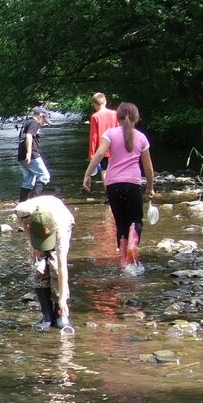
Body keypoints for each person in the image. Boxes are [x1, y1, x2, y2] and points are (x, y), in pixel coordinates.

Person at [81, 102, 154, 276]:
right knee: (135, 220)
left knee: (120, 223)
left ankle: (123, 262)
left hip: (113, 185)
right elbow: (149, 167)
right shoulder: (142, 138)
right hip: (133, 184)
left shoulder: (110, 134)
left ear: (117, 117)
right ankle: (132, 246)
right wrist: (150, 187)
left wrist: (88, 174)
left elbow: (99, 154)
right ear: (137, 118)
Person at [14, 186, 75, 332]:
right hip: (39, 220)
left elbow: (62, 267)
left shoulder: (61, 227)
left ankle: (59, 312)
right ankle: (46, 315)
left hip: (59, 221)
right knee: (39, 267)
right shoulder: (22, 210)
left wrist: (62, 299)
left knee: (54, 265)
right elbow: (24, 223)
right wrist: (32, 242)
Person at [16, 104, 53, 201]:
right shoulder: (34, 123)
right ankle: (32, 201)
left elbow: (24, 136)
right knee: (44, 177)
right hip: (31, 154)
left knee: (28, 180)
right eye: (44, 120)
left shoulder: (27, 122)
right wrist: (29, 153)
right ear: (40, 116)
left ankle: (22, 204)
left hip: (21, 155)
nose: (44, 122)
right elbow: (28, 136)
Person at [87, 93, 120, 178]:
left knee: (104, 171)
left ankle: (108, 191)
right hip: (116, 148)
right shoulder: (115, 113)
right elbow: (120, 130)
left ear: (94, 104)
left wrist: (91, 155)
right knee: (116, 170)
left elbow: (93, 137)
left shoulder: (95, 116)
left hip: (102, 150)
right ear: (105, 102)